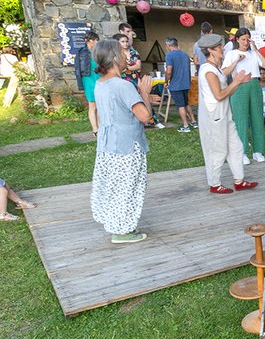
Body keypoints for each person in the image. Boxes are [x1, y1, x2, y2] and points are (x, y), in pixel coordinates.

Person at [89, 39, 154, 243]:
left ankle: (116, 224)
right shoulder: (123, 85)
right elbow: (145, 117)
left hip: (109, 144)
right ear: (115, 58)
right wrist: (144, 93)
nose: (128, 56)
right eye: (123, 53)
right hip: (127, 146)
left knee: (115, 186)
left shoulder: (101, 84)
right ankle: (123, 231)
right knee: (128, 187)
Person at [195, 33, 257, 194]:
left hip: (225, 114)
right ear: (210, 50)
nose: (222, 48)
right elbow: (219, 95)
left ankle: (239, 180)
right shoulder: (208, 70)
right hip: (214, 116)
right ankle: (215, 184)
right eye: (218, 47)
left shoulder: (216, 68)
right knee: (218, 150)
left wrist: (239, 81)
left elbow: (226, 87)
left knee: (236, 146)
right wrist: (236, 81)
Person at [222, 28, 265, 165]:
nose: (245, 42)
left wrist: (255, 49)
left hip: (255, 85)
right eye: (243, 39)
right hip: (239, 86)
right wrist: (236, 61)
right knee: (240, 120)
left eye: (247, 39)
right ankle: (241, 152)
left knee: (257, 117)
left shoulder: (253, 53)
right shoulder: (232, 54)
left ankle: (258, 151)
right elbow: (225, 72)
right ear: (237, 39)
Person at [164, 37, 198, 132]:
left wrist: (166, 81)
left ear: (168, 45)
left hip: (176, 84)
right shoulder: (185, 55)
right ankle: (194, 122)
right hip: (186, 83)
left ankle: (186, 126)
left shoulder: (169, 55)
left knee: (180, 105)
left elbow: (169, 71)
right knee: (186, 103)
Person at [76, 32, 100, 135]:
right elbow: (78, 68)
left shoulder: (98, 51)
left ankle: (100, 126)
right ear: (89, 41)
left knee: (100, 104)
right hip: (88, 78)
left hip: (99, 77)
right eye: (95, 40)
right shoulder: (82, 52)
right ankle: (95, 129)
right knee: (92, 104)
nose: (96, 42)